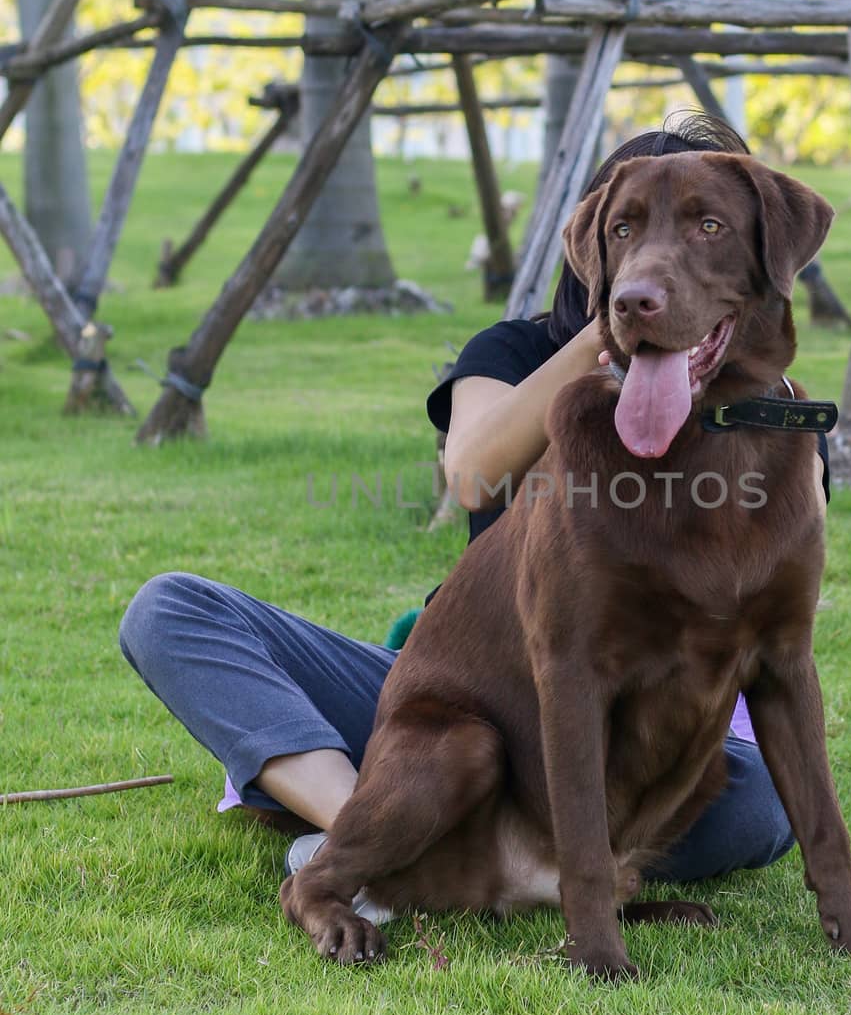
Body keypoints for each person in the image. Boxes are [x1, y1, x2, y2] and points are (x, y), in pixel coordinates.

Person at [119, 113, 795, 888]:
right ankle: (365, 836)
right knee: (169, 610)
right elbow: (473, 475)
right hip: (472, 697)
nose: (661, 260)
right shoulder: (513, 352)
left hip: (656, 726)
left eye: (703, 228)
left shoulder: (770, 412)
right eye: (632, 230)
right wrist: (605, 344)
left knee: (757, 811)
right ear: (597, 244)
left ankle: (484, 849)